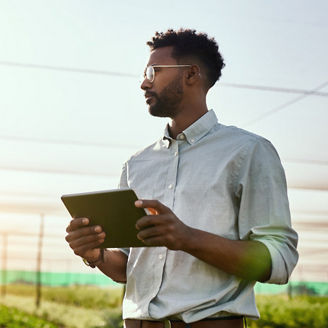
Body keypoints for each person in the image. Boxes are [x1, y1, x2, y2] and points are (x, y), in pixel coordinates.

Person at [65, 29, 298, 328]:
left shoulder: (248, 152)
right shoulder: (137, 163)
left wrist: (187, 237)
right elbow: (128, 267)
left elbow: (278, 259)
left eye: (154, 71)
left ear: (191, 75)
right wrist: (96, 255)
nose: (144, 82)